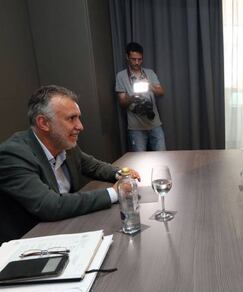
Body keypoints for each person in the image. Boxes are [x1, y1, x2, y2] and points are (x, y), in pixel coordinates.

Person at [0, 85, 140, 243]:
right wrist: (116, 192)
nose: (80, 126)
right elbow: (50, 205)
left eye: (78, 118)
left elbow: (94, 166)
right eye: (71, 118)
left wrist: (121, 173)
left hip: (65, 228)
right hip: (29, 241)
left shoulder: (64, 145)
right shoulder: (13, 155)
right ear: (43, 123)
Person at [115, 42, 166, 151]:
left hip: (155, 124)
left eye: (140, 59)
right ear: (127, 57)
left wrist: (150, 87)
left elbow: (161, 92)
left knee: (163, 157)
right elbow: (122, 102)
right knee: (139, 161)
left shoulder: (150, 73)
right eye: (133, 59)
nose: (137, 62)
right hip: (135, 128)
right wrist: (133, 97)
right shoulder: (121, 76)